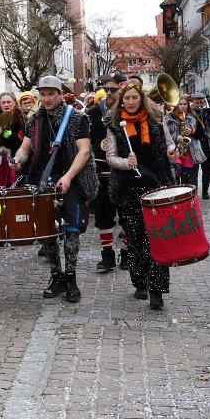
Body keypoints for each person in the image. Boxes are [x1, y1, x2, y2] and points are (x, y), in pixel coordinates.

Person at [14, 75, 97, 301]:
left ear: (60, 94)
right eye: (44, 94)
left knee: (71, 233)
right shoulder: (35, 120)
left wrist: (69, 177)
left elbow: (85, 151)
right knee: (46, 232)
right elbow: (25, 147)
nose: (48, 98)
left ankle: (71, 279)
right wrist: (18, 158)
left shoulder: (77, 118)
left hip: (73, 180)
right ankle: (56, 276)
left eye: (52, 94)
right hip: (42, 180)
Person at [104, 81, 175, 310]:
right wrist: (126, 163)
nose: (131, 102)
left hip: (156, 186)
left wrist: (173, 151)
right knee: (134, 239)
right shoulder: (115, 126)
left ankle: (157, 290)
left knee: (156, 239)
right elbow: (110, 157)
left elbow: (169, 144)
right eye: (127, 99)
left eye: (135, 98)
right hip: (129, 189)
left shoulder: (156, 120)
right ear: (121, 101)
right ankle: (140, 282)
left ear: (141, 99)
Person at [88, 74, 123, 272]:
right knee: (103, 217)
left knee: (127, 216)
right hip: (101, 171)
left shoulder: (127, 111)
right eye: (106, 89)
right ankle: (107, 256)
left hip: (123, 171)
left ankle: (126, 253)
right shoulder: (93, 113)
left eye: (113, 90)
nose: (109, 93)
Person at [166, 99, 204, 186]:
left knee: (191, 180)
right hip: (175, 151)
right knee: (175, 181)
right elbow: (166, 135)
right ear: (176, 105)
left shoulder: (192, 117)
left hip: (190, 152)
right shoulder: (169, 118)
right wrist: (177, 137)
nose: (183, 106)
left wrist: (192, 131)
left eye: (185, 104)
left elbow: (200, 134)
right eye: (180, 104)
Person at [191, 92, 210, 200]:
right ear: (193, 101)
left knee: (206, 169)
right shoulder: (189, 112)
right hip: (195, 143)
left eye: (201, 101)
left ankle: (205, 192)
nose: (199, 103)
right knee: (194, 171)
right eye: (197, 101)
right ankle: (193, 193)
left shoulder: (209, 110)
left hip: (207, 143)